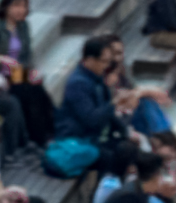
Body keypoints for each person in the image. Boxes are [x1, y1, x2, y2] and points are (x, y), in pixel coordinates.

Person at [0, 0, 56, 148]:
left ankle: (49, 133)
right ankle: (38, 137)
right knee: (28, 93)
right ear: (6, 6)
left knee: (40, 91)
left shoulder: (23, 26)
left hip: (18, 73)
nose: (20, 10)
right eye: (16, 6)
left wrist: (30, 71)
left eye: (23, 6)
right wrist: (1, 59)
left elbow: (26, 55)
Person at [54, 35, 135, 168]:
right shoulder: (77, 84)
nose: (107, 66)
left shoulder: (96, 77)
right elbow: (91, 119)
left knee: (130, 147)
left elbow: (106, 111)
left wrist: (125, 132)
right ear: (90, 60)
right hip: (79, 139)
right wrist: (114, 103)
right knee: (112, 156)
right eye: (104, 61)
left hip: (97, 135)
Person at [102, 34, 172, 136]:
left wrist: (149, 91)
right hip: (114, 119)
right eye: (114, 53)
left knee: (147, 100)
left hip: (128, 110)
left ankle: (163, 136)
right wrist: (143, 92)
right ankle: (162, 137)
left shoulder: (122, 68)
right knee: (144, 102)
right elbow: (115, 102)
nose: (118, 57)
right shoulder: (103, 74)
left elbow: (132, 90)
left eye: (120, 53)